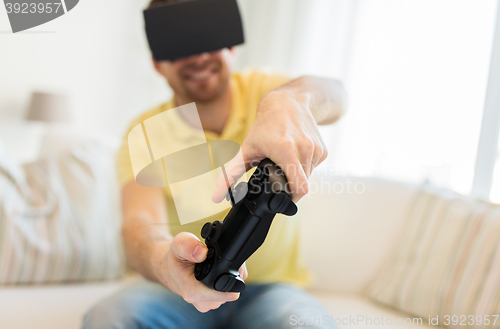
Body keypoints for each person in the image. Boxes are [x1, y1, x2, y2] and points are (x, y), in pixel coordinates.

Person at [83, 0, 347, 328]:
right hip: (181, 288)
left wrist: (291, 103)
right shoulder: (145, 133)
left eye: (208, 39)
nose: (197, 57)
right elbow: (138, 221)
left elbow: (335, 93)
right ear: (157, 64)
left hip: (273, 290)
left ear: (232, 47)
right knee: (111, 317)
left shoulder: (266, 92)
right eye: (178, 47)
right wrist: (162, 262)